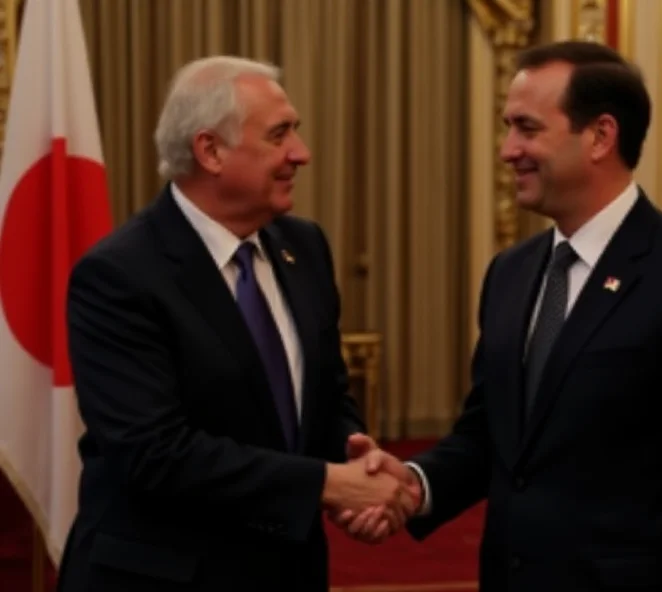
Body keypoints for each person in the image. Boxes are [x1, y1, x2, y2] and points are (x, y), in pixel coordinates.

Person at [338, 40, 662, 591]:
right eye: (507, 127)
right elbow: (490, 438)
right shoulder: (510, 275)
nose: (507, 149)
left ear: (600, 136)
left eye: (527, 128)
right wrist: (415, 485)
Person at [56, 56, 416, 592]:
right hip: (166, 576)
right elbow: (154, 454)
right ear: (210, 151)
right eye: (280, 135)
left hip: (286, 568)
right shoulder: (119, 275)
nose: (302, 153)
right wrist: (325, 484)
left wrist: (353, 455)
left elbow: (324, 394)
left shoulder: (304, 247)